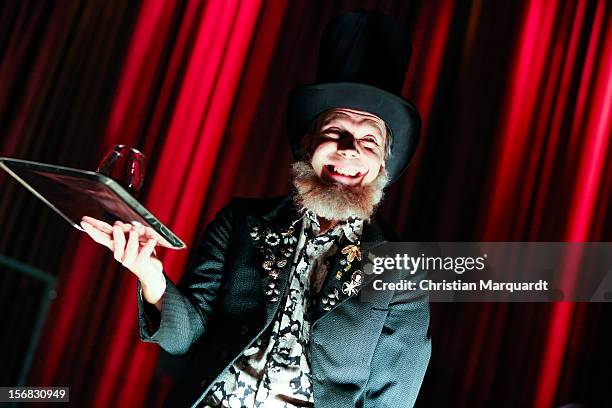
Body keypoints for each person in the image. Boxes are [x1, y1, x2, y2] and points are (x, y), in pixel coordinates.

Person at [81, 11, 431, 408]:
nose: (349, 149)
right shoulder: (239, 222)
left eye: (369, 141)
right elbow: (187, 337)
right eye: (335, 132)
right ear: (306, 145)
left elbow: (392, 399)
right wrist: (150, 274)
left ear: (382, 165)